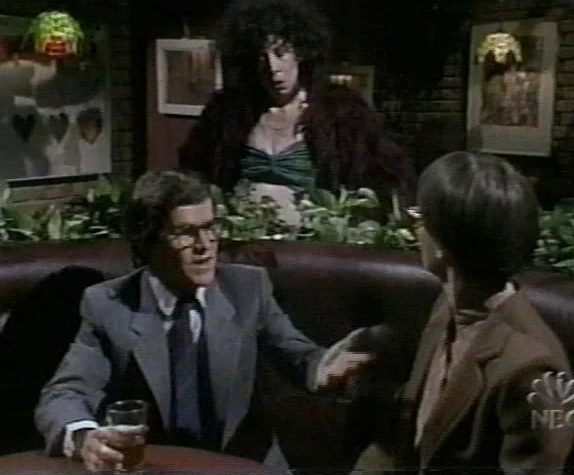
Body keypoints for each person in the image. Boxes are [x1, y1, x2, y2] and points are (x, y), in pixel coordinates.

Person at [35, 170, 372, 473]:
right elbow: (66, 393)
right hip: (157, 469)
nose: (205, 246)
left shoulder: (247, 289)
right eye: (184, 233)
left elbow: (297, 353)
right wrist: (85, 438)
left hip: (245, 466)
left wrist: (322, 368)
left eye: (210, 228)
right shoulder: (109, 305)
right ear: (147, 243)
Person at [351, 151, 574, 474]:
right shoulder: (446, 308)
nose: (415, 231)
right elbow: (407, 442)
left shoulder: (533, 369)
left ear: (443, 245)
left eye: (419, 218)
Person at [178, 0, 415, 224]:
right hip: (243, 239)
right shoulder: (227, 112)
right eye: (261, 58)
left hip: (312, 241)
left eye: (280, 53)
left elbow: (387, 177)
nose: (273, 67)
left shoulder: (343, 113)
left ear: (300, 51)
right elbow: (193, 177)